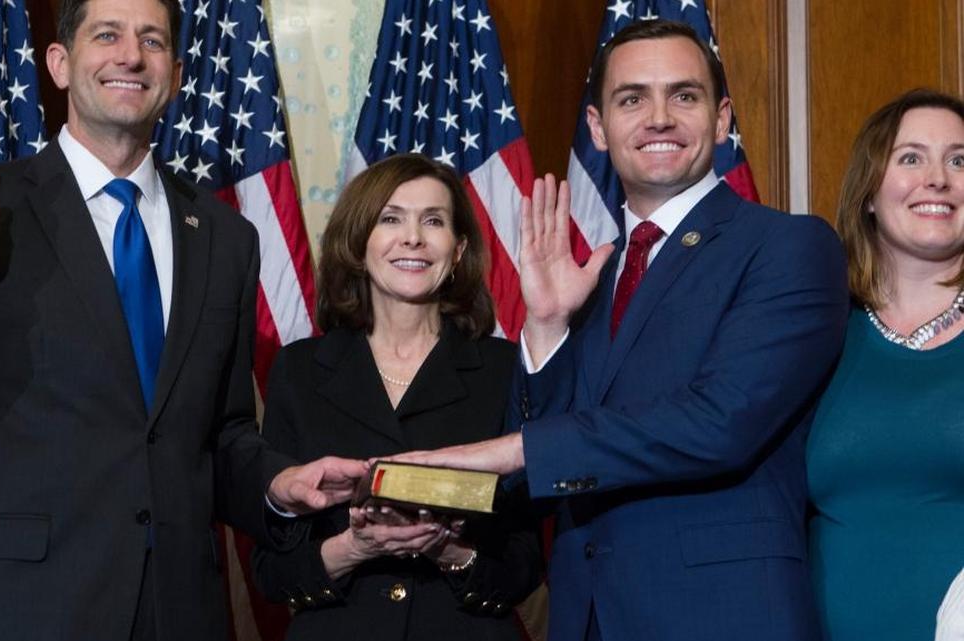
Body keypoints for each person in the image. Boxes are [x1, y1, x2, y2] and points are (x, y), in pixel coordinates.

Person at [0, 0, 366, 639]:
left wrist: (278, 483)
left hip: (177, 611)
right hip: (17, 609)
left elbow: (221, 433)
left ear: (175, 73)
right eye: (108, 35)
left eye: (151, 40)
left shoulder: (225, 238)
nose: (131, 54)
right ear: (60, 63)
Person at [393, 19, 849, 641]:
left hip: (726, 615)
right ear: (598, 129)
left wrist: (515, 452)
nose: (658, 117)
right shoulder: (591, 274)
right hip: (589, 618)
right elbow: (543, 480)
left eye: (683, 96)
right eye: (632, 98)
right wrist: (549, 324)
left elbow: (720, 424)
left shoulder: (788, 246)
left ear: (721, 120)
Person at [250, 154, 542, 641]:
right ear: (359, 244)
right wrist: (354, 547)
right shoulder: (298, 370)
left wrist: (449, 551)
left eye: (433, 220)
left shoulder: (505, 369)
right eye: (391, 218)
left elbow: (525, 562)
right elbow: (270, 570)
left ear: (458, 248)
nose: (413, 237)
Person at [807, 89, 964, 641]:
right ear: (870, 191)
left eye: (959, 160)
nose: (938, 178)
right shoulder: (815, 333)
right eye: (911, 157)